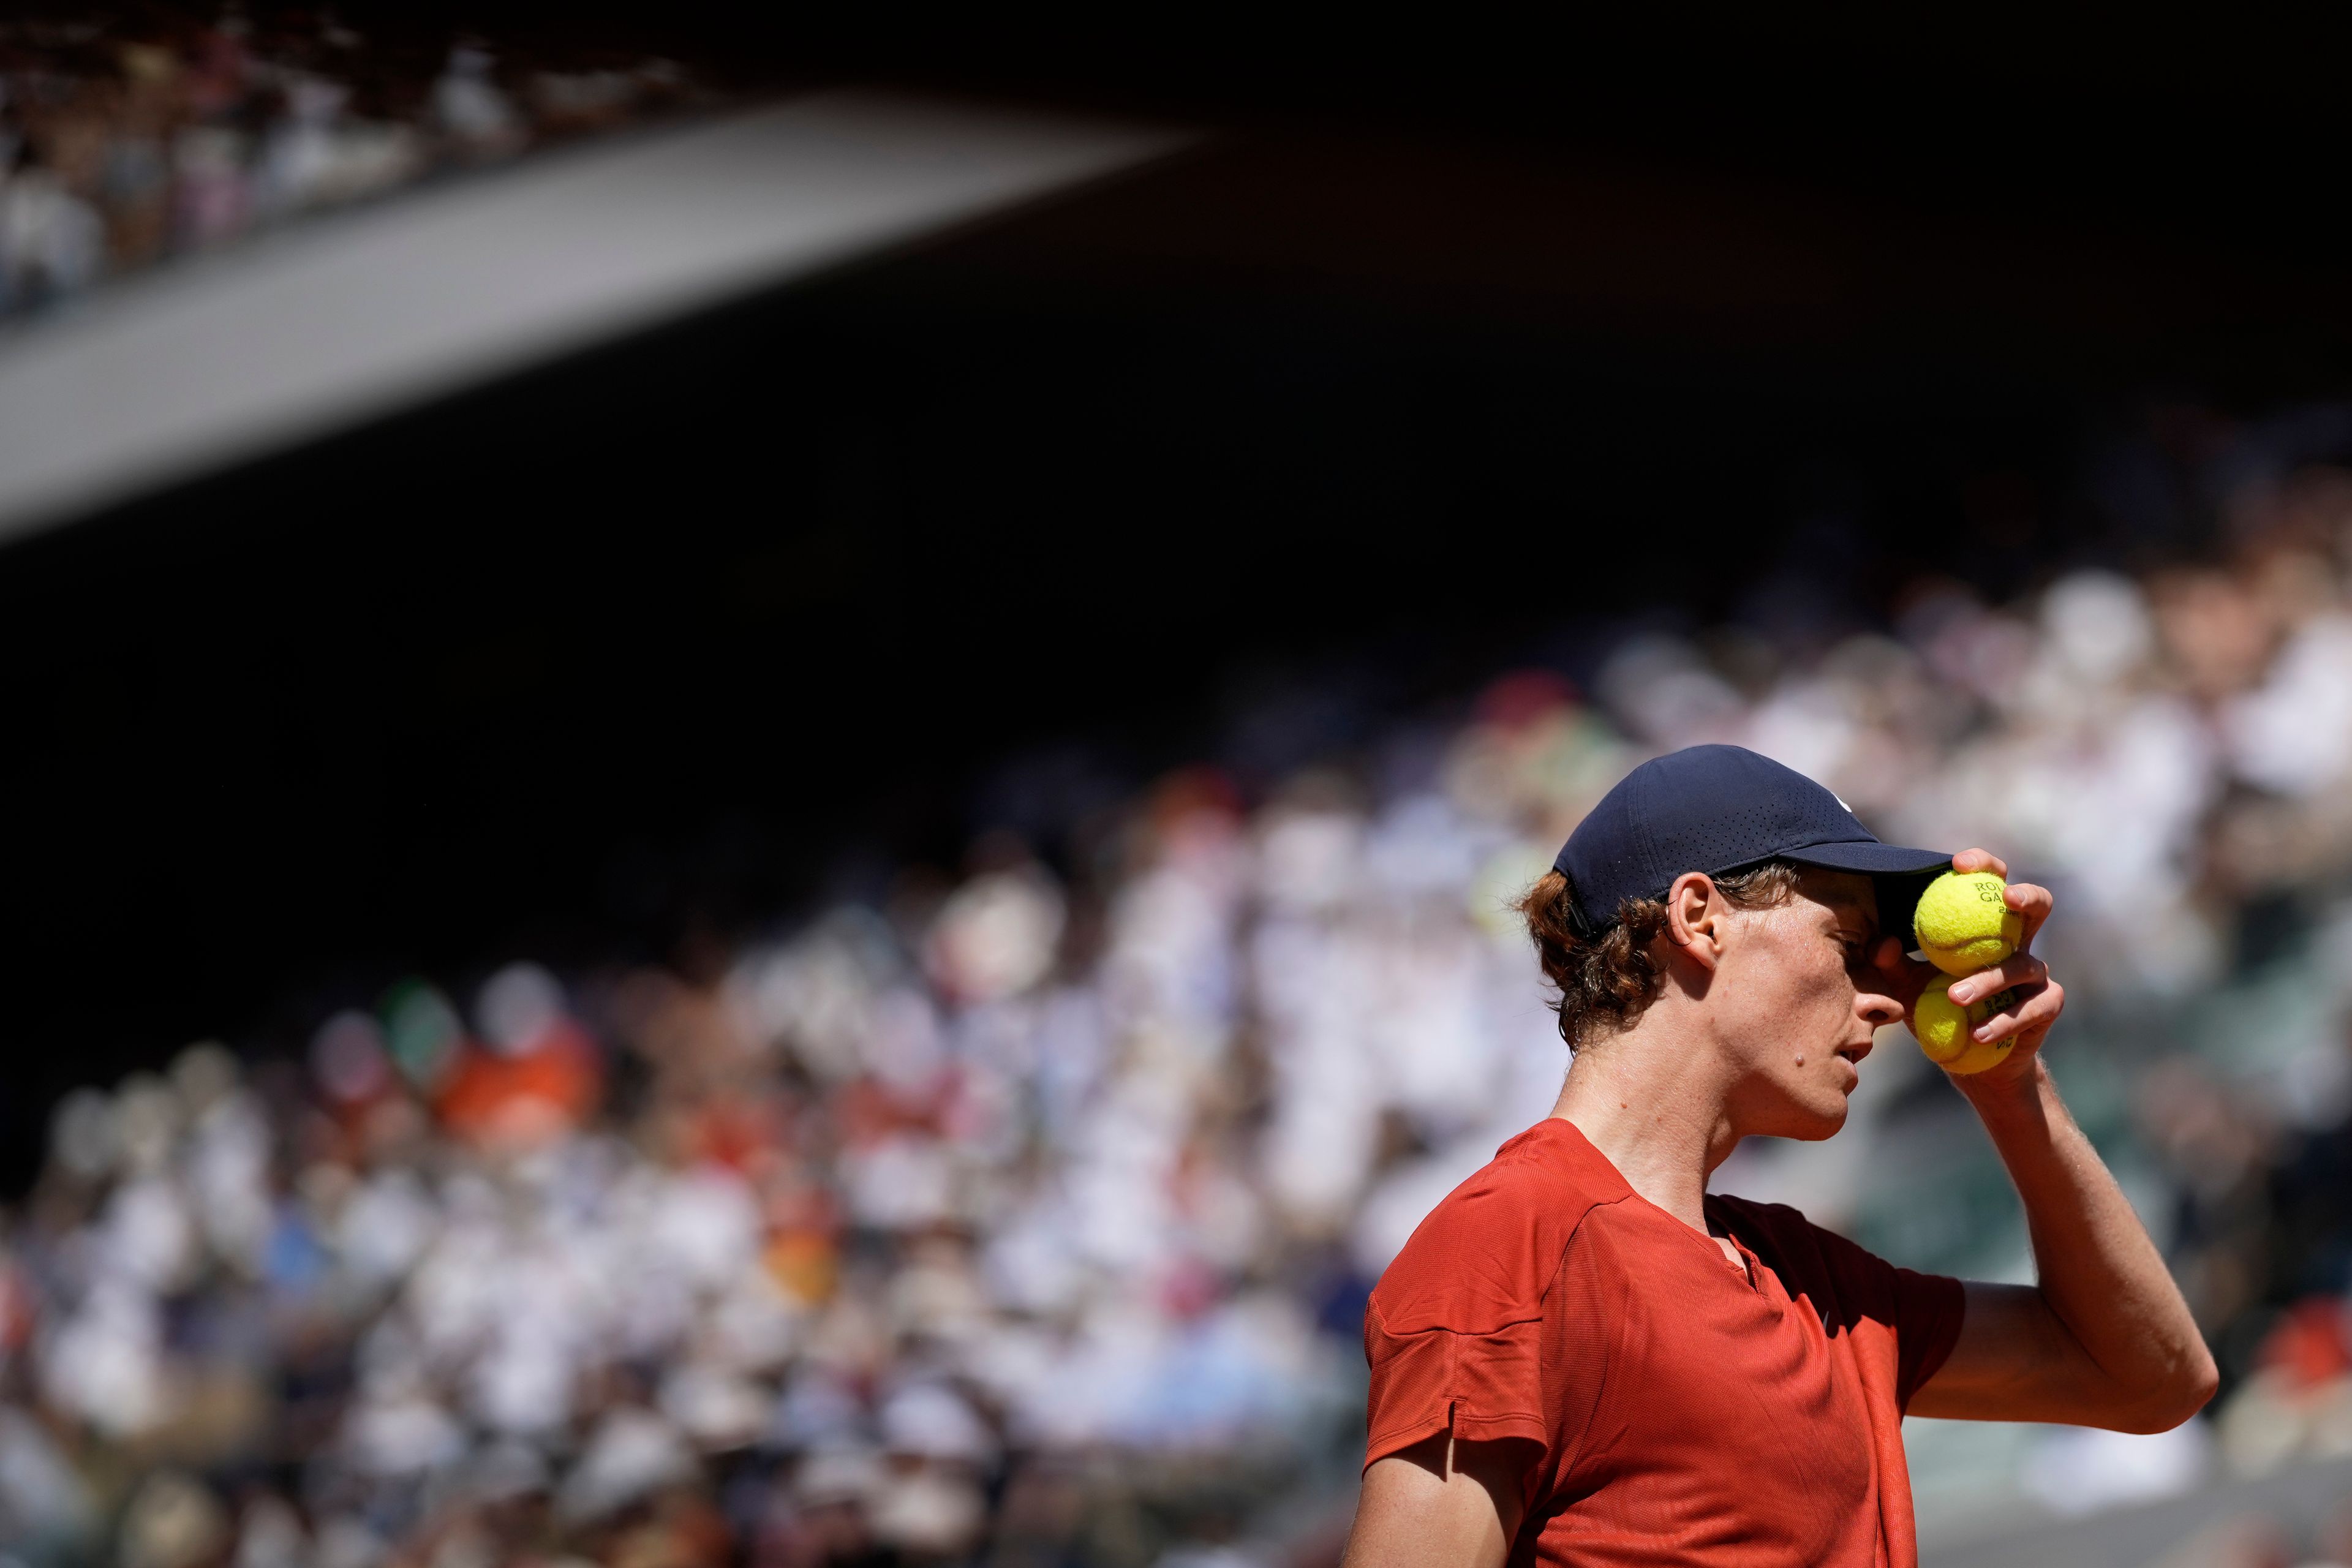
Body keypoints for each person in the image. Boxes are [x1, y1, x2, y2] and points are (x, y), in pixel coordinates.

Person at [1339, 745, 2215, 1568]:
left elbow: (2151, 1379)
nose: (1889, 1002)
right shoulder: (1507, 1248)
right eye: (1851, 948)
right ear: (1700, 919)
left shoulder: (1804, 1277)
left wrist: (2010, 1086)